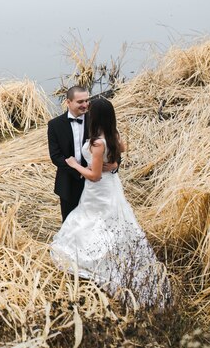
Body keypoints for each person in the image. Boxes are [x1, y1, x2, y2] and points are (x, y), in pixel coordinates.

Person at [50, 97, 170, 307]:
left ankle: (97, 260)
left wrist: (74, 164)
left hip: (98, 189)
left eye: (90, 109)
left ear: (95, 116)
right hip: (112, 186)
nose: (86, 109)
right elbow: (121, 148)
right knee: (112, 219)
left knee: (93, 220)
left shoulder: (97, 143)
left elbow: (94, 176)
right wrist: (111, 162)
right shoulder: (113, 134)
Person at [47, 86, 118, 222]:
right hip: (69, 182)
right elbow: (56, 156)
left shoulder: (96, 120)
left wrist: (115, 164)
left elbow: (112, 145)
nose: (85, 105)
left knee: (98, 222)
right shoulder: (54, 125)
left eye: (87, 100)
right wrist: (79, 171)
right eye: (80, 102)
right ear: (68, 102)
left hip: (98, 184)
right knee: (70, 223)